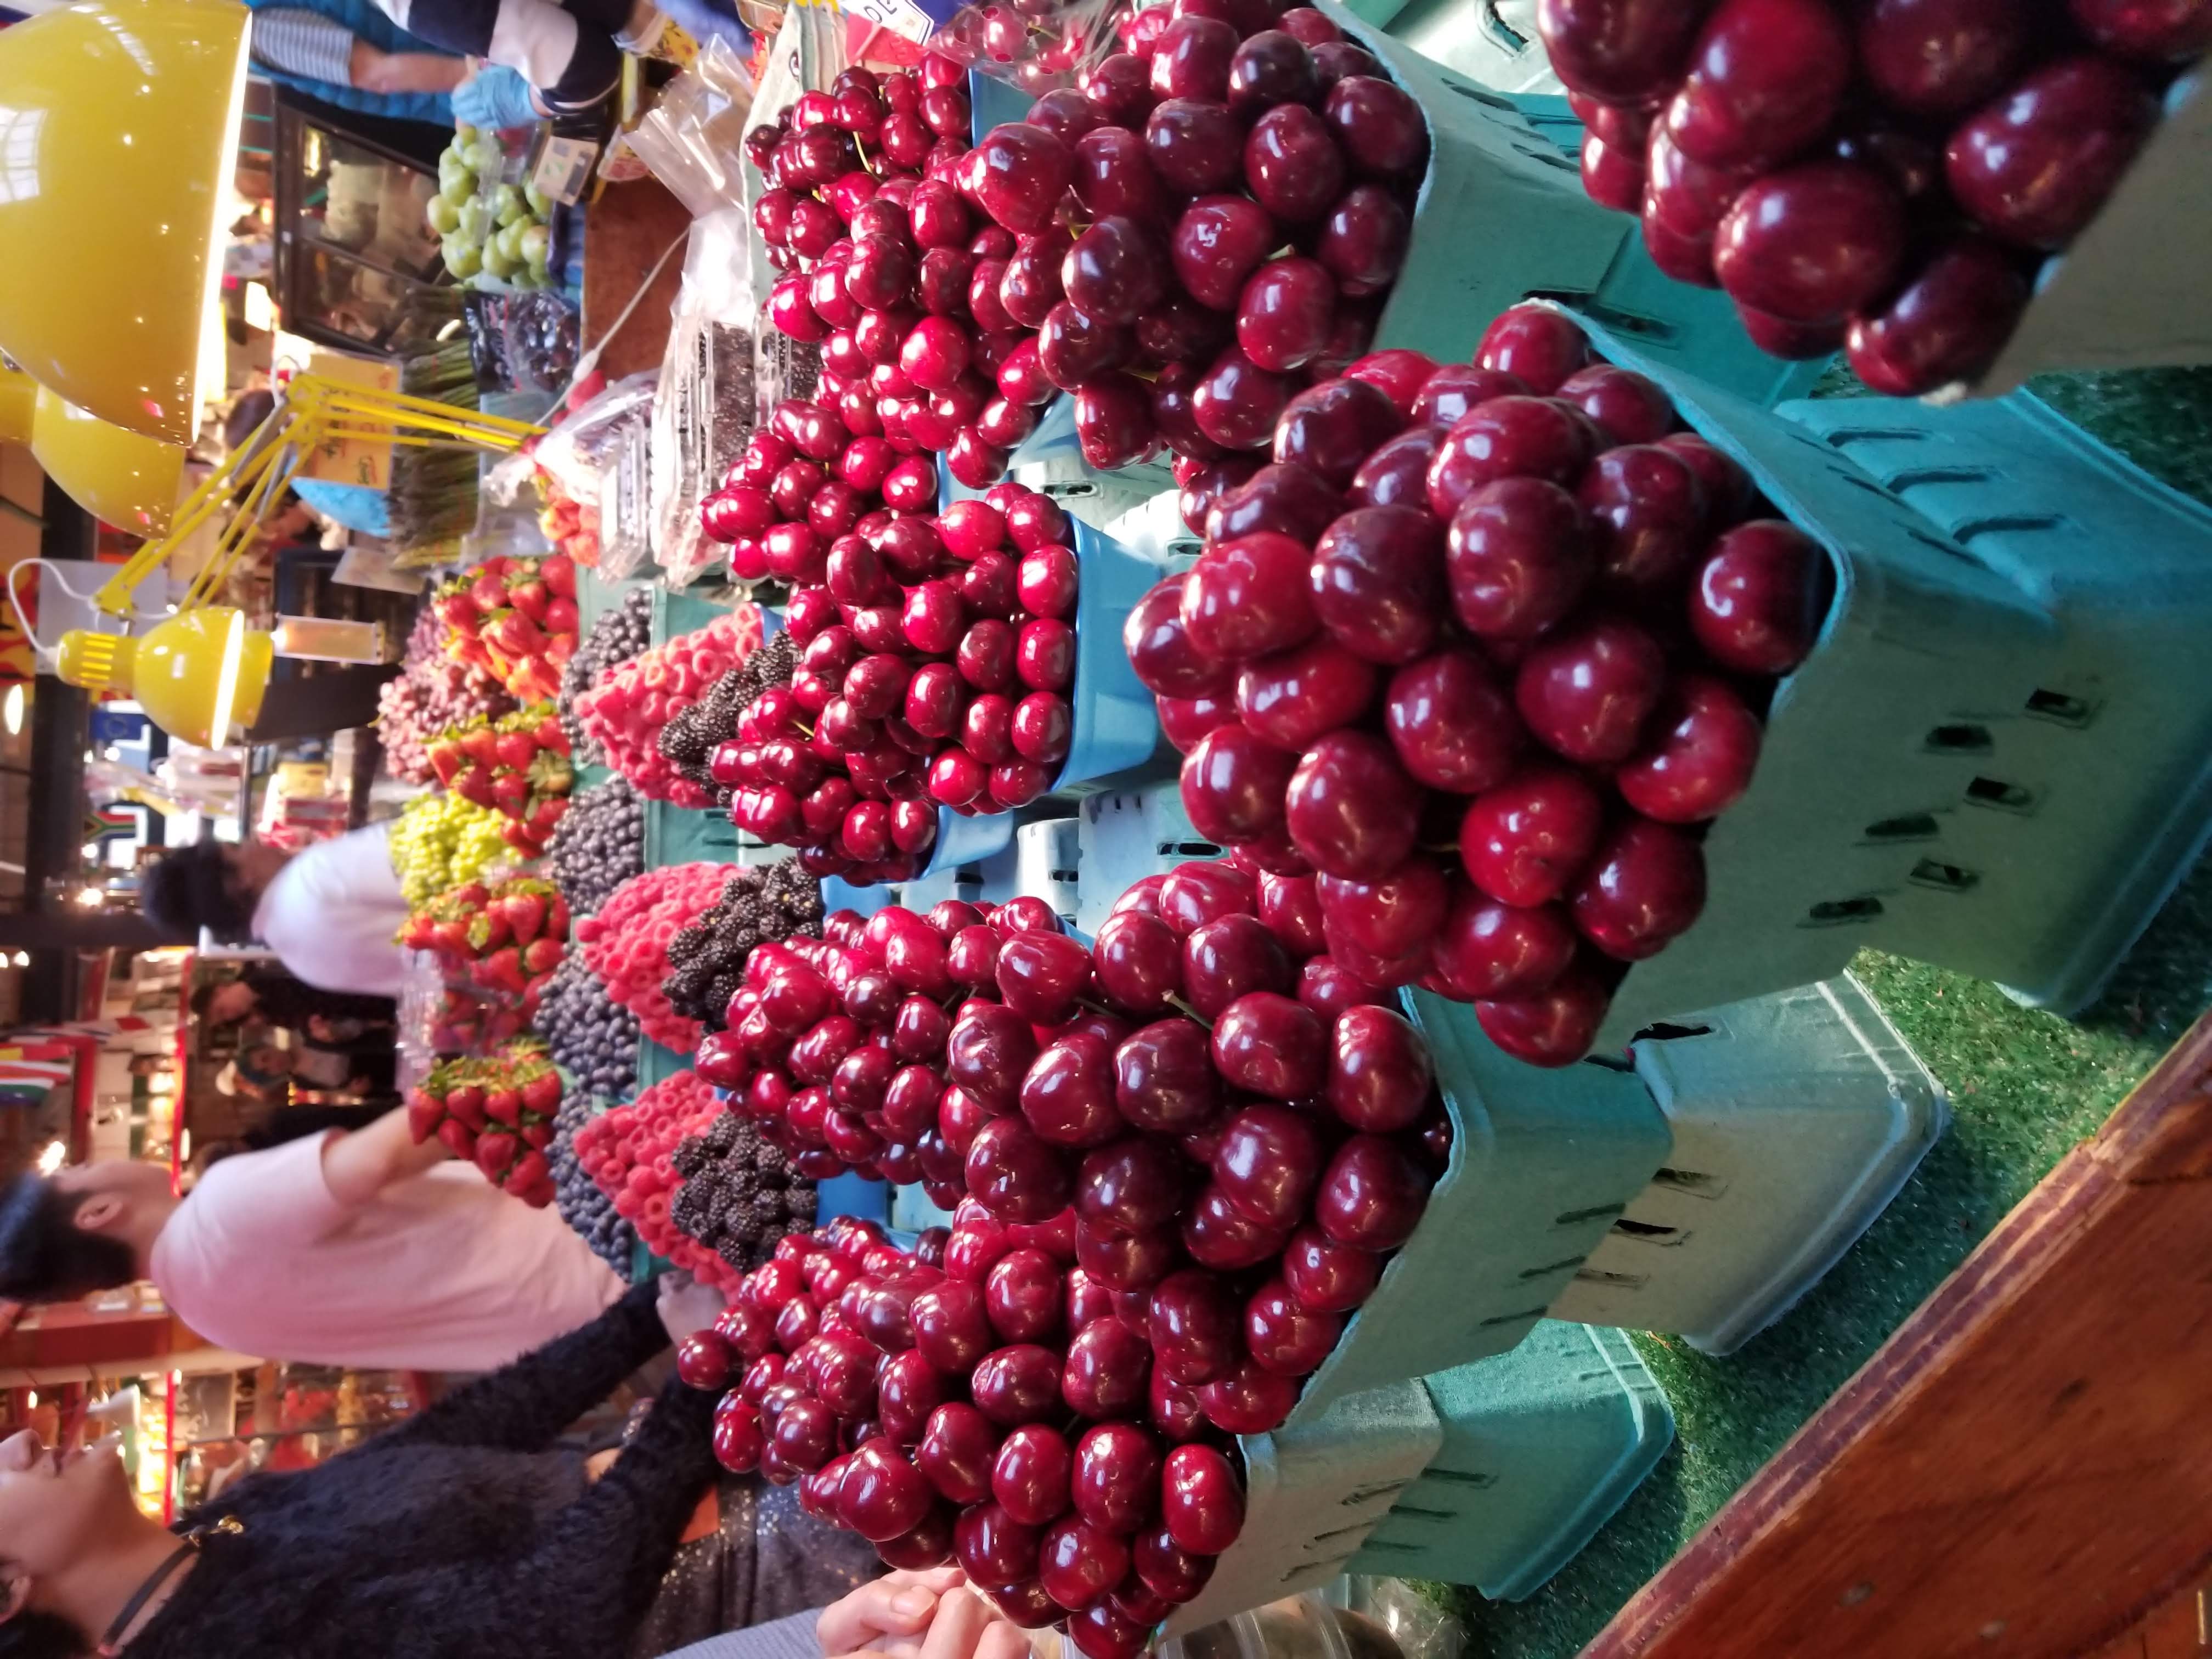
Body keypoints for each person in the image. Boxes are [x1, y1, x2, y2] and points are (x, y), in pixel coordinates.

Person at [0, 1276, 877, 1659]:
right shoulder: (225, 1644)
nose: (18, 1443)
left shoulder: (217, 1529)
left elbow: (467, 1428)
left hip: (725, 1480)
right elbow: (545, 1617)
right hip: (773, 1575)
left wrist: (644, 1316)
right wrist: (690, 1393)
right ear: (8, 1590)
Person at [0, 1104, 623, 1372]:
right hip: (593, 1225)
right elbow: (404, 1142)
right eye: (77, 1171)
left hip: (594, 1313)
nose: (92, 1162)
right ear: (98, 1212)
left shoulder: (206, 1316)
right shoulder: (217, 1209)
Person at [141, 827, 409, 997]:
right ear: (239, 880)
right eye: (237, 847)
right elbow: (425, 840)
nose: (253, 842)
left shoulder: (301, 965)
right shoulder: (314, 874)